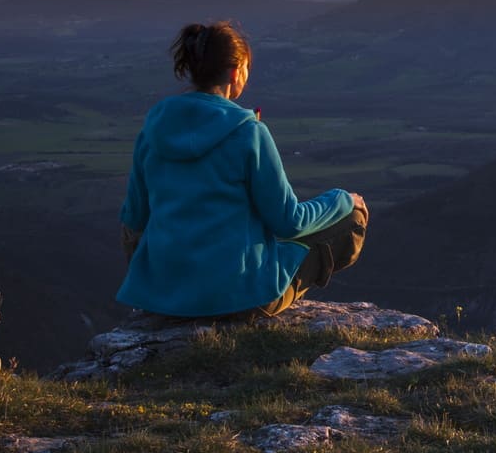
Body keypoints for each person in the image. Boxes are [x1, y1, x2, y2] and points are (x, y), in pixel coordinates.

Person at [117, 21, 367, 319]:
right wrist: (342, 199)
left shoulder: (153, 130)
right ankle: (257, 295)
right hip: (240, 298)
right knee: (352, 220)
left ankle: (172, 294)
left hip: (164, 299)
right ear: (236, 71)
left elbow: (134, 219)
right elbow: (289, 222)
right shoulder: (248, 133)